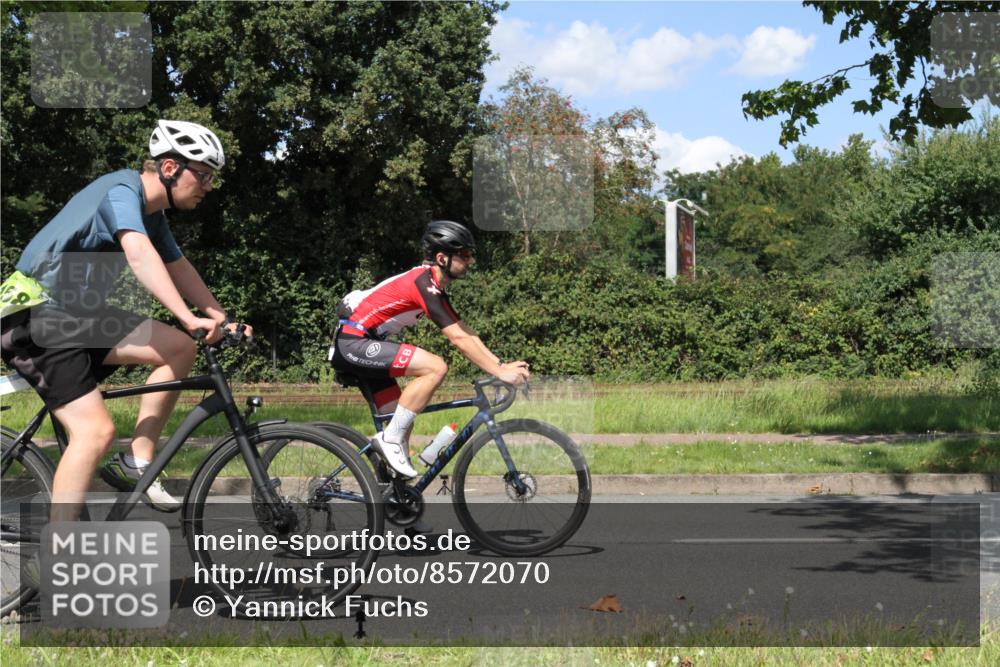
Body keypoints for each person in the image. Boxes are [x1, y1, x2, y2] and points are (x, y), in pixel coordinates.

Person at [0, 120, 251, 518]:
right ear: (170, 169)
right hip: (36, 317)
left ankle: (138, 461)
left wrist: (221, 318)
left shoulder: (151, 213)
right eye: (202, 175)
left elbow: (178, 266)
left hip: (76, 319)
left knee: (179, 348)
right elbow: (139, 256)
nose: (208, 186)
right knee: (95, 432)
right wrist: (187, 316)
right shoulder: (121, 192)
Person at [329, 220, 529, 478]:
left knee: (402, 421)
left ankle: (394, 497)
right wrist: (500, 373)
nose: (470, 261)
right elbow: (458, 339)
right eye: (464, 255)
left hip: (364, 341)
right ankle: (389, 442)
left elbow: (464, 331)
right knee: (435, 367)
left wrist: (500, 365)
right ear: (442, 258)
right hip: (354, 342)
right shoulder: (423, 284)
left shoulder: (432, 286)